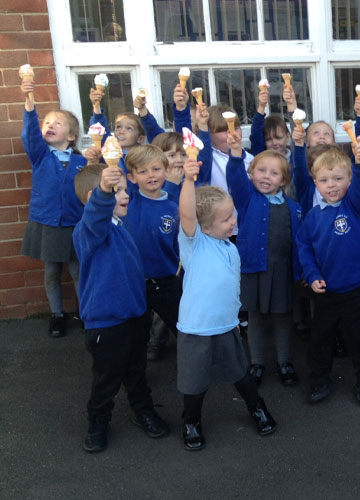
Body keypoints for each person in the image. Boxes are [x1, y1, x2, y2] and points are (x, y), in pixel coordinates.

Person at [176, 158, 277, 451]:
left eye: (232, 215)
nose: (233, 221)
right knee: (194, 383)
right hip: (197, 329)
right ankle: (191, 420)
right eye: (226, 219)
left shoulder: (230, 246)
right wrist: (189, 181)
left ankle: (256, 407)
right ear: (204, 227)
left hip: (227, 327)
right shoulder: (195, 243)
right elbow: (186, 214)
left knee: (239, 374)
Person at [72, 163, 169, 453]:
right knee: (107, 377)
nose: (126, 196)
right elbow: (94, 217)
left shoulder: (121, 227)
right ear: (95, 198)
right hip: (105, 323)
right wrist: (105, 189)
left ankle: (143, 411)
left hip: (135, 316)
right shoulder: (88, 231)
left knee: (136, 370)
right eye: (119, 191)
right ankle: (98, 422)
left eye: (126, 190)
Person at [296, 144, 360, 407]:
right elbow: (305, 248)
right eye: (324, 180)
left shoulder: (356, 207)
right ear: (315, 182)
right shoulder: (312, 217)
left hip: (357, 290)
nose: (331, 185)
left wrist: (359, 163)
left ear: (349, 180)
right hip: (325, 292)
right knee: (320, 340)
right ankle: (320, 379)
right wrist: (311, 274)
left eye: (338, 179)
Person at [226, 134, 303, 388]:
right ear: (251, 172)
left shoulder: (293, 206)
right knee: (256, 318)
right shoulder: (248, 199)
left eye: (273, 173)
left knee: (282, 318)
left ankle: (284, 362)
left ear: (284, 180)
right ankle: (256, 363)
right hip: (255, 269)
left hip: (283, 270)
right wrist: (236, 154)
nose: (266, 177)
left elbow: (298, 241)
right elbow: (235, 180)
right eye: (261, 171)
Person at [19, 78, 86, 337]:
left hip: (74, 222)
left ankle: (85, 312)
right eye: (47, 122)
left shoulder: (81, 162)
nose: (50, 126)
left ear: (70, 136)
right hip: (48, 222)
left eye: (57, 123)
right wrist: (29, 102)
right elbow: (31, 135)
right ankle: (57, 314)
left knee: (77, 270)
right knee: (51, 272)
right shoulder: (40, 156)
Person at [123, 145, 183, 362]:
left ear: (166, 172)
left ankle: (195, 369)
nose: (151, 176)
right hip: (135, 281)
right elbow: (115, 166)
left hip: (167, 280)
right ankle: (137, 379)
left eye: (156, 169)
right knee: (136, 334)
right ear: (131, 177)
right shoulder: (129, 199)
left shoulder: (173, 204)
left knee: (183, 327)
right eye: (143, 171)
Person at [84, 89, 146, 174]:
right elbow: (100, 128)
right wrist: (96, 105)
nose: (121, 131)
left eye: (128, 128)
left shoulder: (145, 156)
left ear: (140, 138)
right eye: (118, 127)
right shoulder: (108, 151)